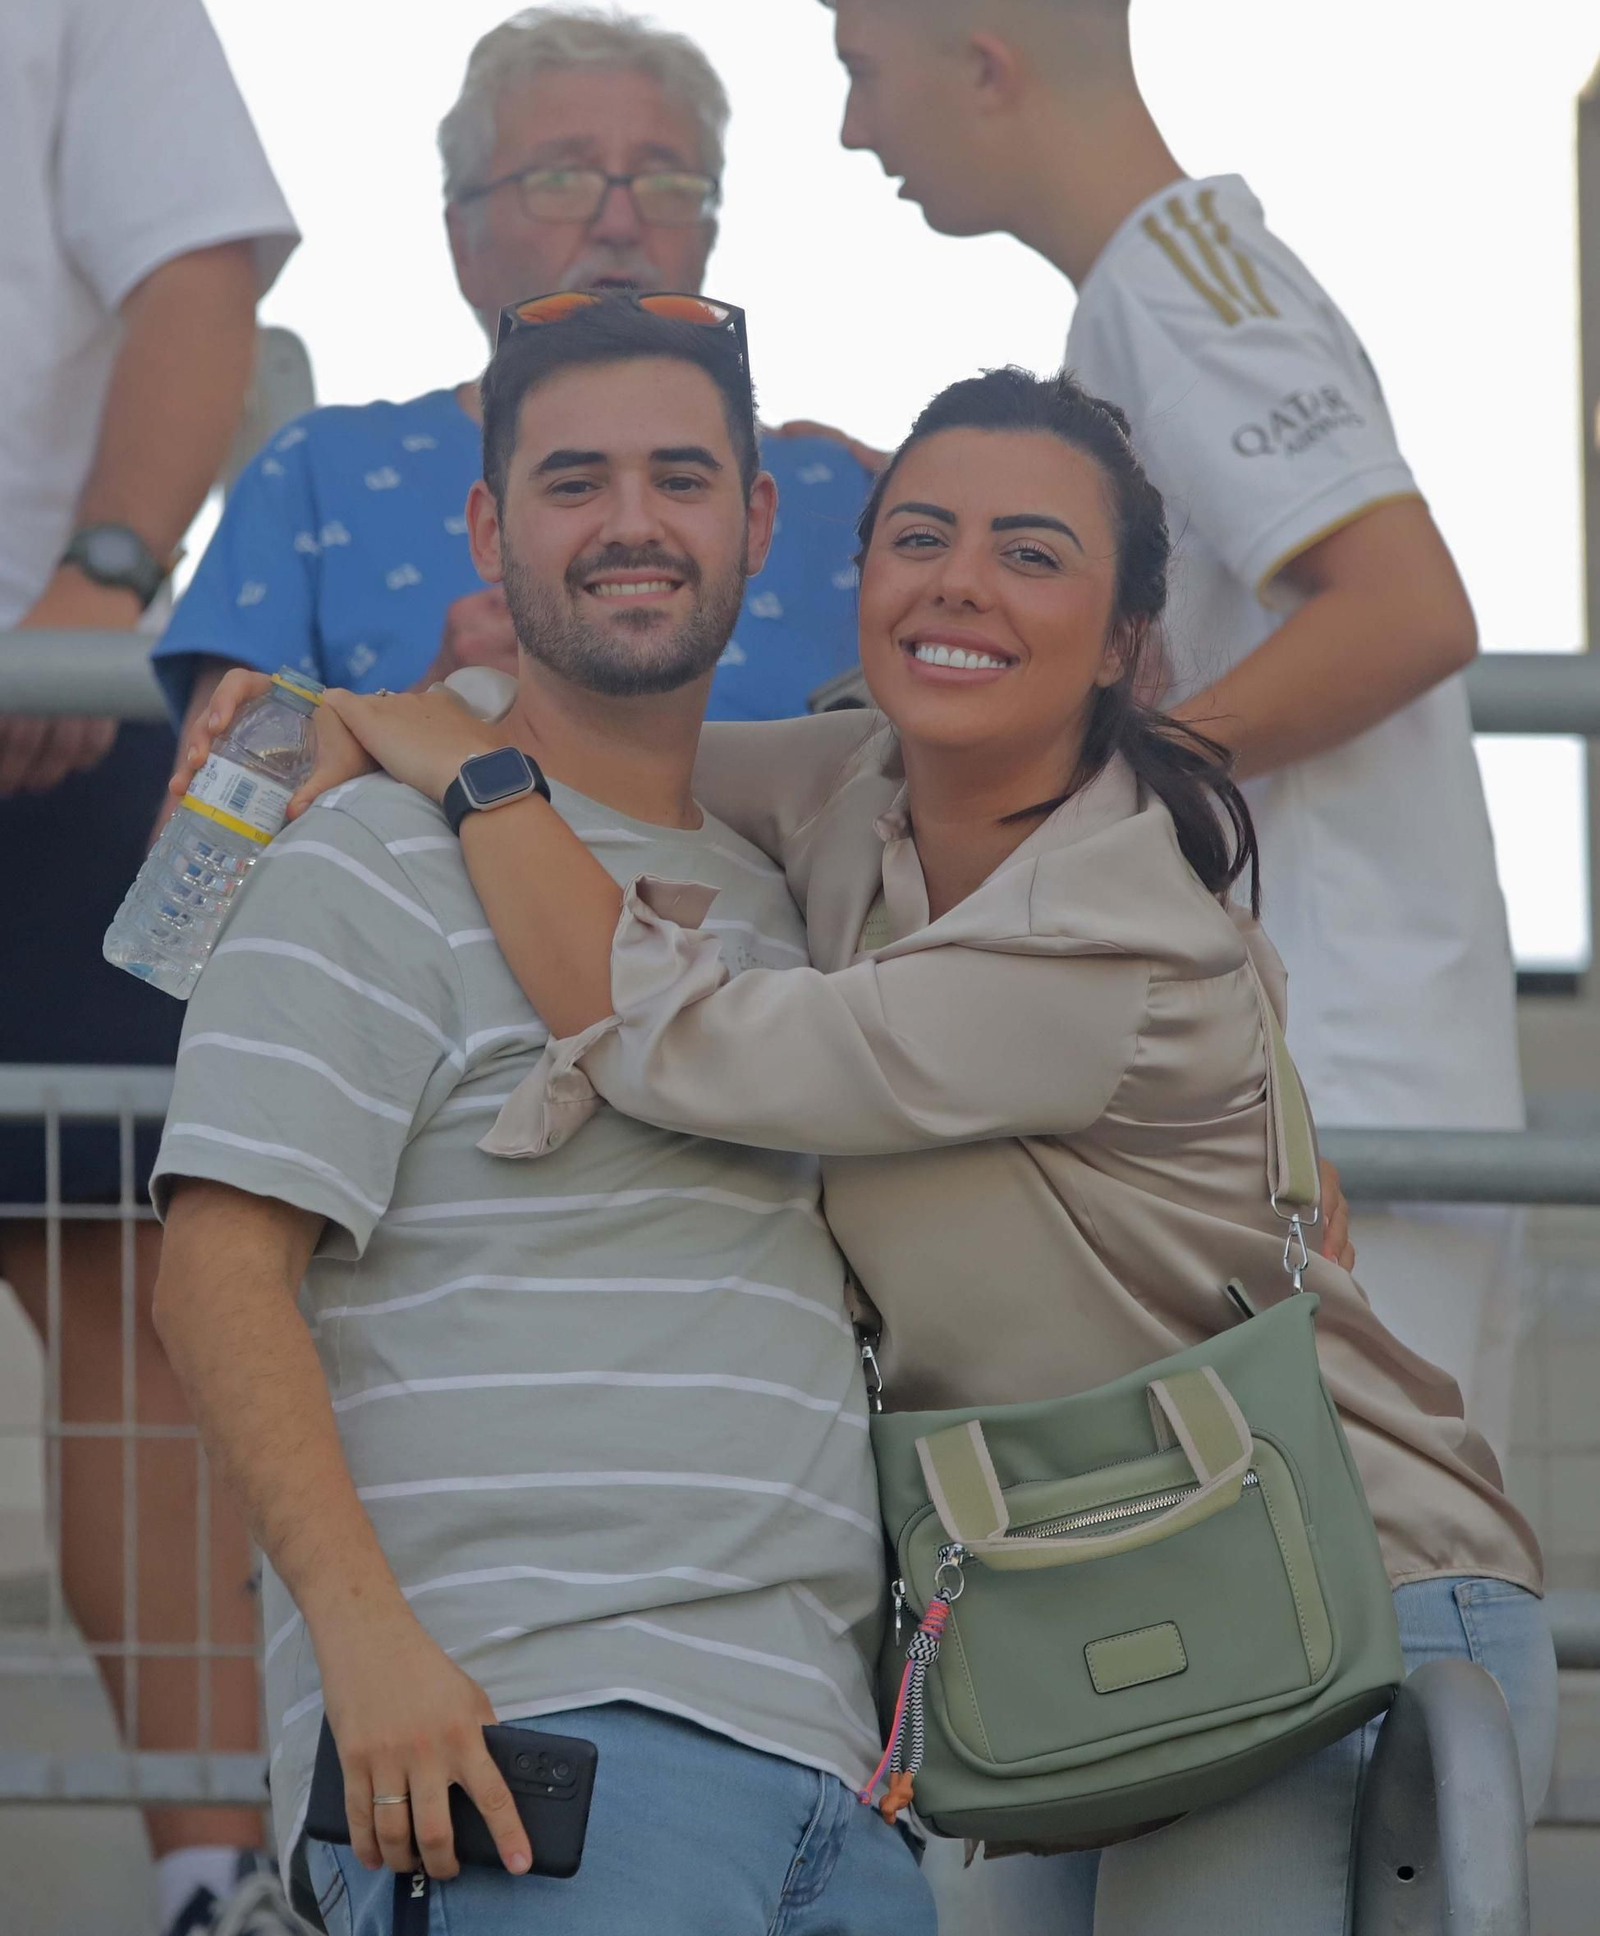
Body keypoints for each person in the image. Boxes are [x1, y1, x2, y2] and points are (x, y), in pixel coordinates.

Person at [246, 358, 1554, 1936]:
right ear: (855, 577)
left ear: (1127, 643)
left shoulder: (1105, 932)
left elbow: (671, 1035)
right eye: (921, 535)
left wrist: (462, 766)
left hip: (1330, 1574)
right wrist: (377, 723)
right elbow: (618, 762)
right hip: (1088, 1583)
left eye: (1033, 553)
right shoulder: (854, 789)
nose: (963, 585)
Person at [148, 296, 935, 1935]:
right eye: (574, 480)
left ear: (759, 520)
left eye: (681, 476)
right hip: (524, 1756)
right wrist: (370, 1649)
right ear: (491, 528)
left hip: (838, 1787)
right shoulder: (362, 852)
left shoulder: (803, 884)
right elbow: (214, 1272)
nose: (633, 522)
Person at [802, 0, 1525, 1457]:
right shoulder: (1146, 303)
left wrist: (1092, 793)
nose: (852, 131)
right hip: (1298, 1075)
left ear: (983, 64)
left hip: (1338, 1080)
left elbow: (1407, 605)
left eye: (861, 71)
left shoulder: (1186, 286)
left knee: (1364, 1626)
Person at [0, 0, 300, 1936]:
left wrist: (101, 581)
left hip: (41, 703)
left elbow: (207, 280)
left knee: (117, 1281)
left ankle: (210, 1875)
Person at [150, 4, 872, 747]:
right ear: (464, 239)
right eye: (561, 178)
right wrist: (432, 709)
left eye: (667, 184)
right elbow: (204, 840)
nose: (620, 222)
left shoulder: (853, 498)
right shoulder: (318, 470)